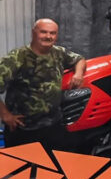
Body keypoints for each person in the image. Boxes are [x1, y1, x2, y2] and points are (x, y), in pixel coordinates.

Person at [0, 19, 85, 149]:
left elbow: (79, 59)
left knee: (55, 160)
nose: (48, 36)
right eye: (43, 32)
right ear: (33, 33)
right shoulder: (17, 57)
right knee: (23, 162)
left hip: (53, 125)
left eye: (52, 33)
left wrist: (78, 74)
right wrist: (5, 115)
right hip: (24, 129)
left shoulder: (59, 52)